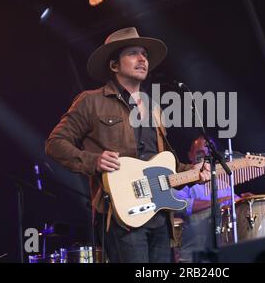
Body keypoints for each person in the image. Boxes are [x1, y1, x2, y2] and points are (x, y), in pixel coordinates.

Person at [45, 27, 210, 263]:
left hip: (160, 215)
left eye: (144, 54)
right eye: (133, 53)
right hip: (122, 215)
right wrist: (94, 160)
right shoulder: (92, 102)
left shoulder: (154, 108)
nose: (143, 59)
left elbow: (162, 162)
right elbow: (54, 144)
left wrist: (193, 173)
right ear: (114, 65)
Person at [173, 136, 244, 262]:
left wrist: (243, 201)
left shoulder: (223, 184)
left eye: (208, 154)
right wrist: (218, 201)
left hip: (221, 253)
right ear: (190, 155)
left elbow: (233, 201)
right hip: (194, 256)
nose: (204, 157)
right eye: (200, 153)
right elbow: (182, 206)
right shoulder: (181, 180)